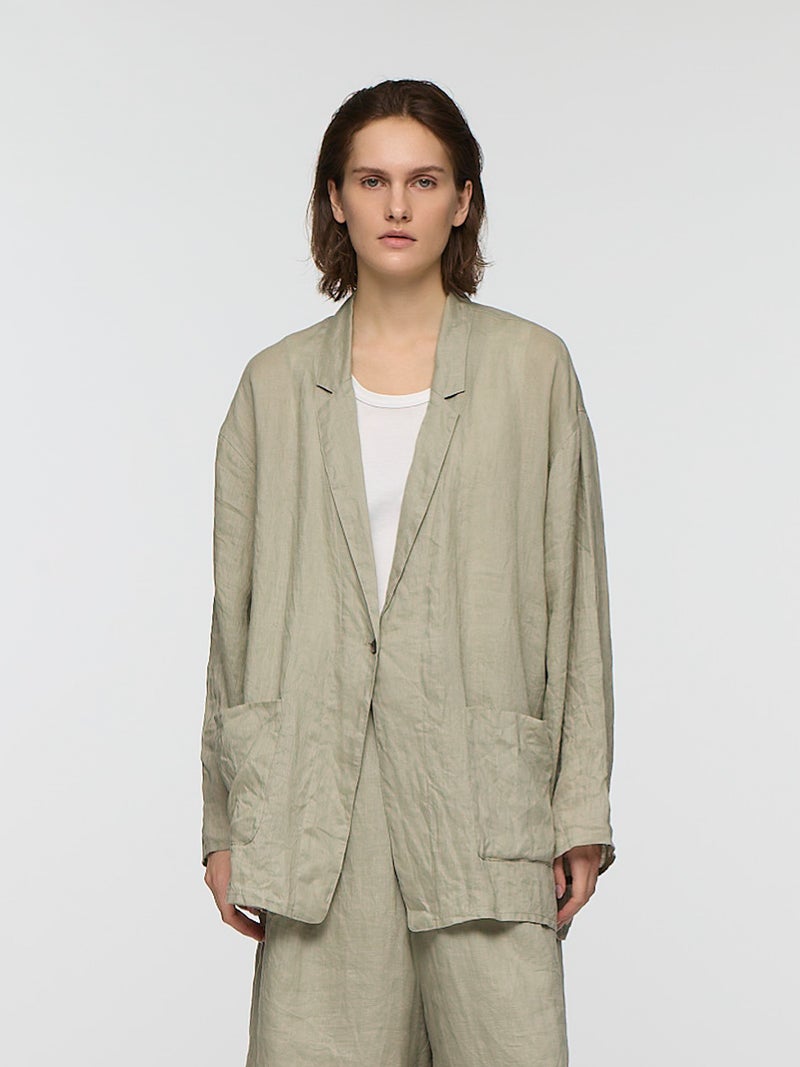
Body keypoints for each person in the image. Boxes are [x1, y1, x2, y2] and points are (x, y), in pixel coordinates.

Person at [201, 78, 617, 1066]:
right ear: (334, 198)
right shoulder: (273, 385)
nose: (397, 205)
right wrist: (223, 819)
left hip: (483, 799)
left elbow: (576, 601)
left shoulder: (531, 370)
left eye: (424, 181)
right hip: (314, 800)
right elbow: (234, 619)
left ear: (462, 200)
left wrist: (579, 809)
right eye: (372, 180)